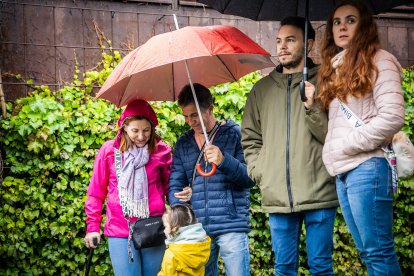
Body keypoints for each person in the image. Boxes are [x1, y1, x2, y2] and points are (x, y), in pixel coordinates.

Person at [310, 1, 404, 274]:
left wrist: (344, 146)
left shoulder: (380, 60)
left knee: (378, 251)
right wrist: (312, 104)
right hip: (344, 170)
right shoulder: (337, 68)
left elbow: (392, 117)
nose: (342, 27)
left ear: (364, 25)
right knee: (366, 251)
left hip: (368, 166)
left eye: (350, 20)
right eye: (337, 22)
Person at [241, 16, 339, 275]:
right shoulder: (260, 91)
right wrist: (260, 170)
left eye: (290, 40)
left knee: (321, 268)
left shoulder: (327, 82)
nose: (282, 47)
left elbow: (336, 136)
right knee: (283, 268)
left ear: (308, 44)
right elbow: (250, 139)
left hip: (319, 191)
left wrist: (313, 106)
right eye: (279, 41)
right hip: (278, 197)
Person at [168, 83, 255, 276]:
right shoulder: (184, 143)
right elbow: (175, 181)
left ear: (210, 109)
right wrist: (178, 200)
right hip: (197, 229)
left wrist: (224, 161)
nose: (190, 121)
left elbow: (251, 177)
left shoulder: (235, 134)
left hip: (230, 223)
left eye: (195, 115)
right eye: (186, 116)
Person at [84, 99, 172, 276]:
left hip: (153, 227)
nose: (141, 136)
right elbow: (96, 193)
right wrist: (93, 227)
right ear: (124, 127)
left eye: (146, 130)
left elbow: (171, 187)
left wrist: (179, 211)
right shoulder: (109, 151)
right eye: (135, 130)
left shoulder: (161, 151)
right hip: (120, 229)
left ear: (152, 128)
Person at [158, 204, 211, 276]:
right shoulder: (202, 247)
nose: (164, 230)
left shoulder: (172, 253)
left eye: (166, 226)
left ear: (175, 228)